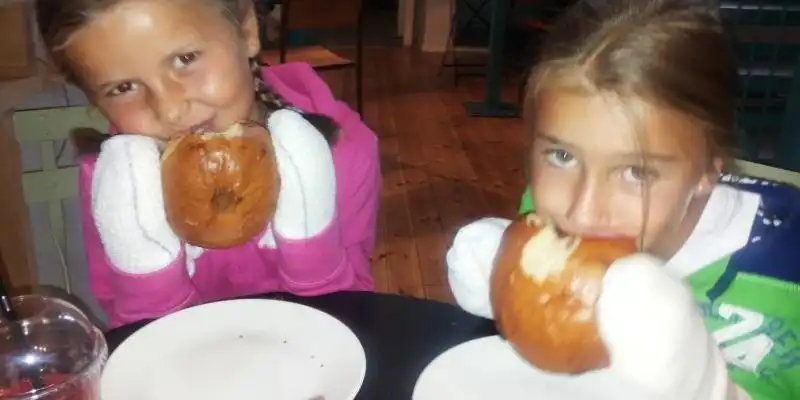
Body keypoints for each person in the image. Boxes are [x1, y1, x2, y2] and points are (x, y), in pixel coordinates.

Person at [447, 1, 800, 399]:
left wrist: (711, 388)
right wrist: (506, 288)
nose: (582, 213)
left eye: (636, 172)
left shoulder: (783, 273)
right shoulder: (545, 220)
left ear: (707, 172)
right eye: (562, 156)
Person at [35, 0, 379, 328]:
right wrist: (145, 263)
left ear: (247, 29)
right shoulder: (118, 186)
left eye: (185, 59)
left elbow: (351, 317)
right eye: (123, 87)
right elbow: (137, 337)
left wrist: (312, 249)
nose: (170, 110)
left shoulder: (340, 155)